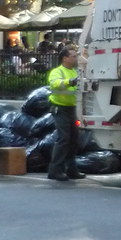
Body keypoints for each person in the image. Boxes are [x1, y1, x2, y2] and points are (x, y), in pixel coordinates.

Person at [46, 47, 85, 182]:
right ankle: (55, 170)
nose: (76, 58)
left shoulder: (75, 71)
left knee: (73, 139)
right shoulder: (57, 72)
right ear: (65, 58)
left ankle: (71, 169)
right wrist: (70, 82)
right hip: (60, 108)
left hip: (73, 109)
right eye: (73, 56)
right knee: (64, 138)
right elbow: (55, 84)